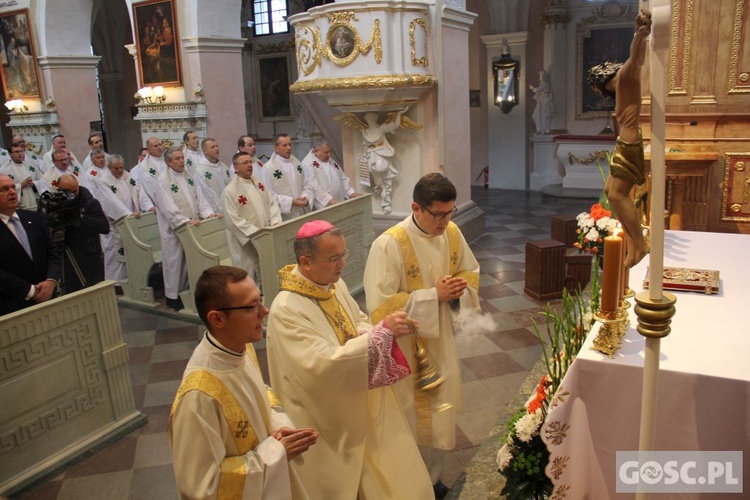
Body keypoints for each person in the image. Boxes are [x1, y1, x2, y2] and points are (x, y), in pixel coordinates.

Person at [266, 221, 433, 500]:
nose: (342, 264)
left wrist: (377, 333)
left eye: (343, 255)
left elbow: (357, 322)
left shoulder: (334, 284)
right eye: (334, 258)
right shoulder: (286, 309)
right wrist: (380, 334)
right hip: (324, 413)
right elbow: (321, 364)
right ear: (305, 262)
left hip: (356, 396)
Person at [363, 173, 480, 496]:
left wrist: (459, 291)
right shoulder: (389, 244)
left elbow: (470, 271)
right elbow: (380, 307)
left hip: (440, 339)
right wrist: (433, 296)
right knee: (411, 414)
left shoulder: (452, 233)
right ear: (416, 207)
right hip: (405, 349)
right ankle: (410, 483)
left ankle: (433, 478)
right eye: (438, 214)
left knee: (440, 412)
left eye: (450, 212)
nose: (445, 221)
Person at [170, 265, 317, 499]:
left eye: (260, 300)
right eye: (252, 306)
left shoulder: (241, 348)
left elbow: (262, 396)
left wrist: (280, 427)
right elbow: (202, 487)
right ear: (217, 318)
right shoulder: (199, 395)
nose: (264, 311)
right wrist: (274, 454)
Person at [588, 10, 652, 268]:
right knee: (609, 192)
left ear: (603, 81)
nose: (600, 93)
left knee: (618, 195)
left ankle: (640, 244)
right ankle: (635, 244)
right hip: (623, 143)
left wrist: (641, 32)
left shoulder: (624, 78)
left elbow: (635, 59)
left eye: (597, 88)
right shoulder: (622, 84)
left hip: (629, 143)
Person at [153, 146, 218, 310]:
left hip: (193, 227)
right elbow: (168, 208)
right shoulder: (162, 181)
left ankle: (190, 293)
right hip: (175, 230)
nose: (182, 161)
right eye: (177, 159)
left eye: (182, 158)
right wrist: (185, 221)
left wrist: (209, 214)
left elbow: (200, 199)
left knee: (191, 261)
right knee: (176, 264)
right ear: (168, 162)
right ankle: (174, 297)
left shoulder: (189, 175)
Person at [0, 174, 60, 315]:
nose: (12, 192)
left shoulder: (33, 217)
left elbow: (52, 252)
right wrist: (31, 291)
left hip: (49, 297)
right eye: (4, 189)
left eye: (13, 187)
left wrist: (51, 281)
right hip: (13, 305)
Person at [222, 151, 281, 286]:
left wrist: (275, 221)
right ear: (236, 167)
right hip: (246, 242)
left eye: (250, 162)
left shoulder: (258, 183)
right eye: (245, 163)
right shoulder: (230, 191)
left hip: (264, 236)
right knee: (248, 274)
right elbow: (233, 221)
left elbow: (271, 203)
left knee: (265, 271)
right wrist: (256, 234)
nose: (249, 165)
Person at [97, 154, 155, 286]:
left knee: (131, 254)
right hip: (116, 225)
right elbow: (111, 202)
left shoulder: (128, 176)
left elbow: (140, 193)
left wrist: (149, 207)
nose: (119, 171)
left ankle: (132, 281)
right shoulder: (104, 181)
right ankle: (116, 284)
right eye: (115, 168)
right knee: (115, 256)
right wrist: (127, 214)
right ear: (109, 168)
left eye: (121, 168)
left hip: (132, 222)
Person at [55, 174, 110, 294]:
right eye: (68, 192)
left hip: (90, 257)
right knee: (73, 294)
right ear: (59, 190)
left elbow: (104, 227)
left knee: (96, 293)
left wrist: (80, 217)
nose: (72, 195)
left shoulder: (90, 202)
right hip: (68, 257)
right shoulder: (55, 204)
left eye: (75, 191)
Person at [256, 133, 316, 221]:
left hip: (302, 212)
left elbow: (307, 185)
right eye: (284, 145)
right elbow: (268, 195)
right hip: (284, 217)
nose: (289, 148)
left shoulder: (297, 163)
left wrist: (306, 198)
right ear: (276, 148)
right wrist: (291, 202)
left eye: (290, 144)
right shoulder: (268, 168)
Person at [300, 138, 361, 210]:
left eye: (330, 151)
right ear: (316, 151)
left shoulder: (330, 160)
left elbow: (342, 179)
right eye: (326, 152)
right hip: (324, 206)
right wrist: (329, 199)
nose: (329, 155)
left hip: (338, 202)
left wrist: (351, 193)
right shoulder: (307, 164)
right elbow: (312, 186)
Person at [194, 138, 231, 214]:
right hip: (214, 213)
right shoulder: (200, 172)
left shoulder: (224, 167)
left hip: (230, 209)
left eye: (217, 146)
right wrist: (210, 212)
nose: (217, 149)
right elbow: (202, 196)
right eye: (212, 147)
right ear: (205, 151)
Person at [0, 142, 41, 209]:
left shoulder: (30, 166)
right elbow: (3, 189)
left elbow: (42, 180)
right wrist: (21, 185)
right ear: (10, 154)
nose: (20, 154)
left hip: (34, 201)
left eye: (21, 151)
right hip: (19, 205)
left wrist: (34, 183)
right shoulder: (4, 170)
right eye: (16, 152)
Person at [132, 137, 167, 203]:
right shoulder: (144, 167)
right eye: (155, 146)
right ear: (149, 150)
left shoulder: (167, 161)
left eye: (160, 144)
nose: (159, 147)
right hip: (159, 202)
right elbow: (151, 188)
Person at [530, 70, 556, 135]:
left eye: (541, 76)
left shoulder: (546, 84)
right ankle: (540, 129)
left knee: (544, 115)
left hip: (545, 100)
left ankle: (544, 130)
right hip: (541, 99)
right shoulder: (543, 85)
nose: (540, 78)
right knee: (536, 115)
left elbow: (538, 89)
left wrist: (532, 88)